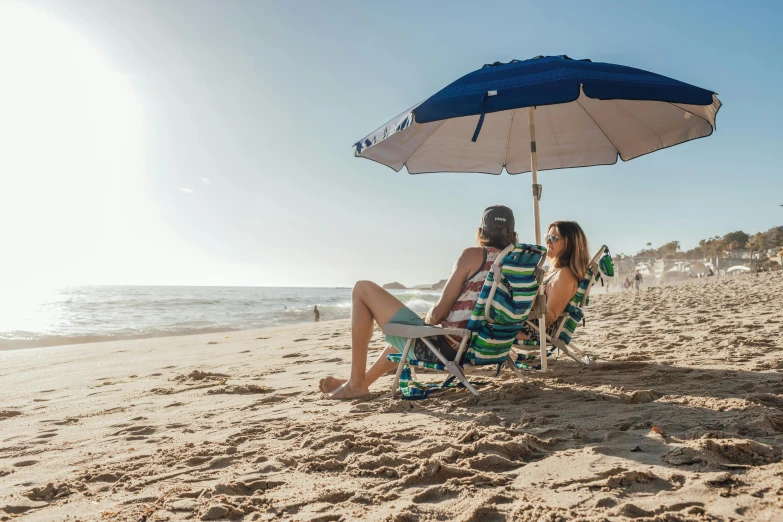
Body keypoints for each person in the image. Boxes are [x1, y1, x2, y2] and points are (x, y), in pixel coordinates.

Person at [319, 205, 519, 400]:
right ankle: (360, 381)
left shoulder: (473, 255)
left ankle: (355, 385)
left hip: (453, 349)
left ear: (480, 231)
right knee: (402, 342)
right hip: (492, 347)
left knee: (362, 289)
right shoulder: (518, 265)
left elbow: (438, 314)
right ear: (512, 234)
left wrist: (430, 316)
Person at [516, 221, 590, 342]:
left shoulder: (565, 275)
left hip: (535, 330)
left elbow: (549, 317)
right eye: (547, 237)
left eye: (553, 238)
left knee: (484, 322)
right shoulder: (553, 272)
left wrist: (515, 315)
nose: (548, 242)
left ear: (569, 243)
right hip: (528, 324)